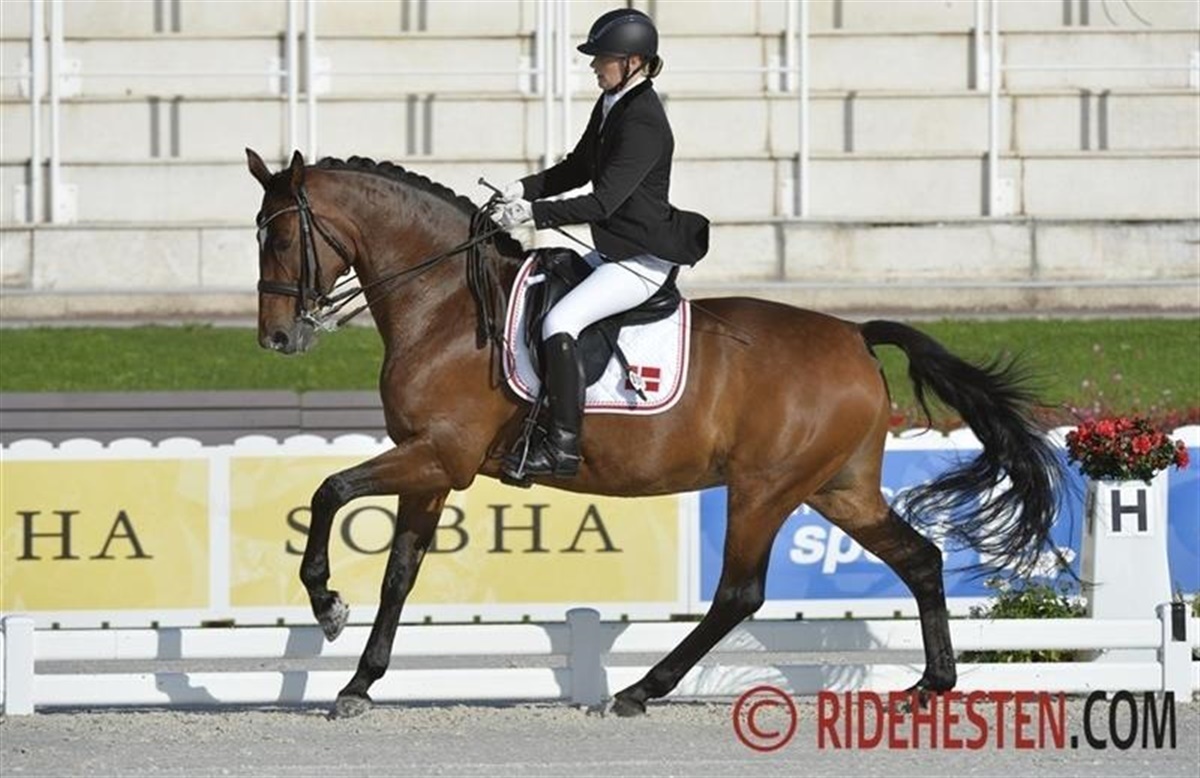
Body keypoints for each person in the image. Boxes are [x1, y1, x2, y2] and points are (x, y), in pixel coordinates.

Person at [492, 7, 709, 481]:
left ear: (633, 62)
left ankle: (562, 446)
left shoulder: (644, 121)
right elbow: (577, 167)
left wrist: (535, 215)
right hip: (616, 249)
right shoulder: (614, 102)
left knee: (560, 321)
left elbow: (604, 201)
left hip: (641, 260)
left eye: (602, 58)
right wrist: (523, 188)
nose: (593, 65)